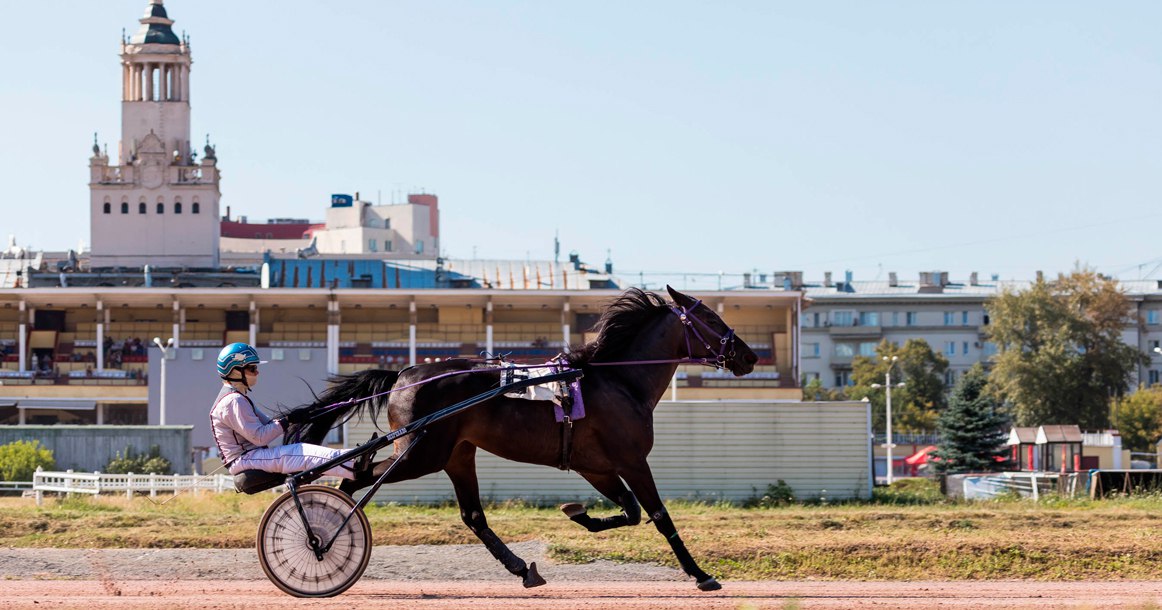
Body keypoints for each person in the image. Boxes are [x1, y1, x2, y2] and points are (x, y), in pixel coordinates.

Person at [209, 343, 360, 480]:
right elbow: (260, 437)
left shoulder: (237, 398)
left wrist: (301, 415)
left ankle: (350, 461)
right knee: (300, 452)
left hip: (250, 456)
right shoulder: (233, 401)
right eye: (252, 368)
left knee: (298, 451)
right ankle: (353, 462)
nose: (257, 372)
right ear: (235, 371)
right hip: (245, 459)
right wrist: (287, 421)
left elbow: (269, 424)